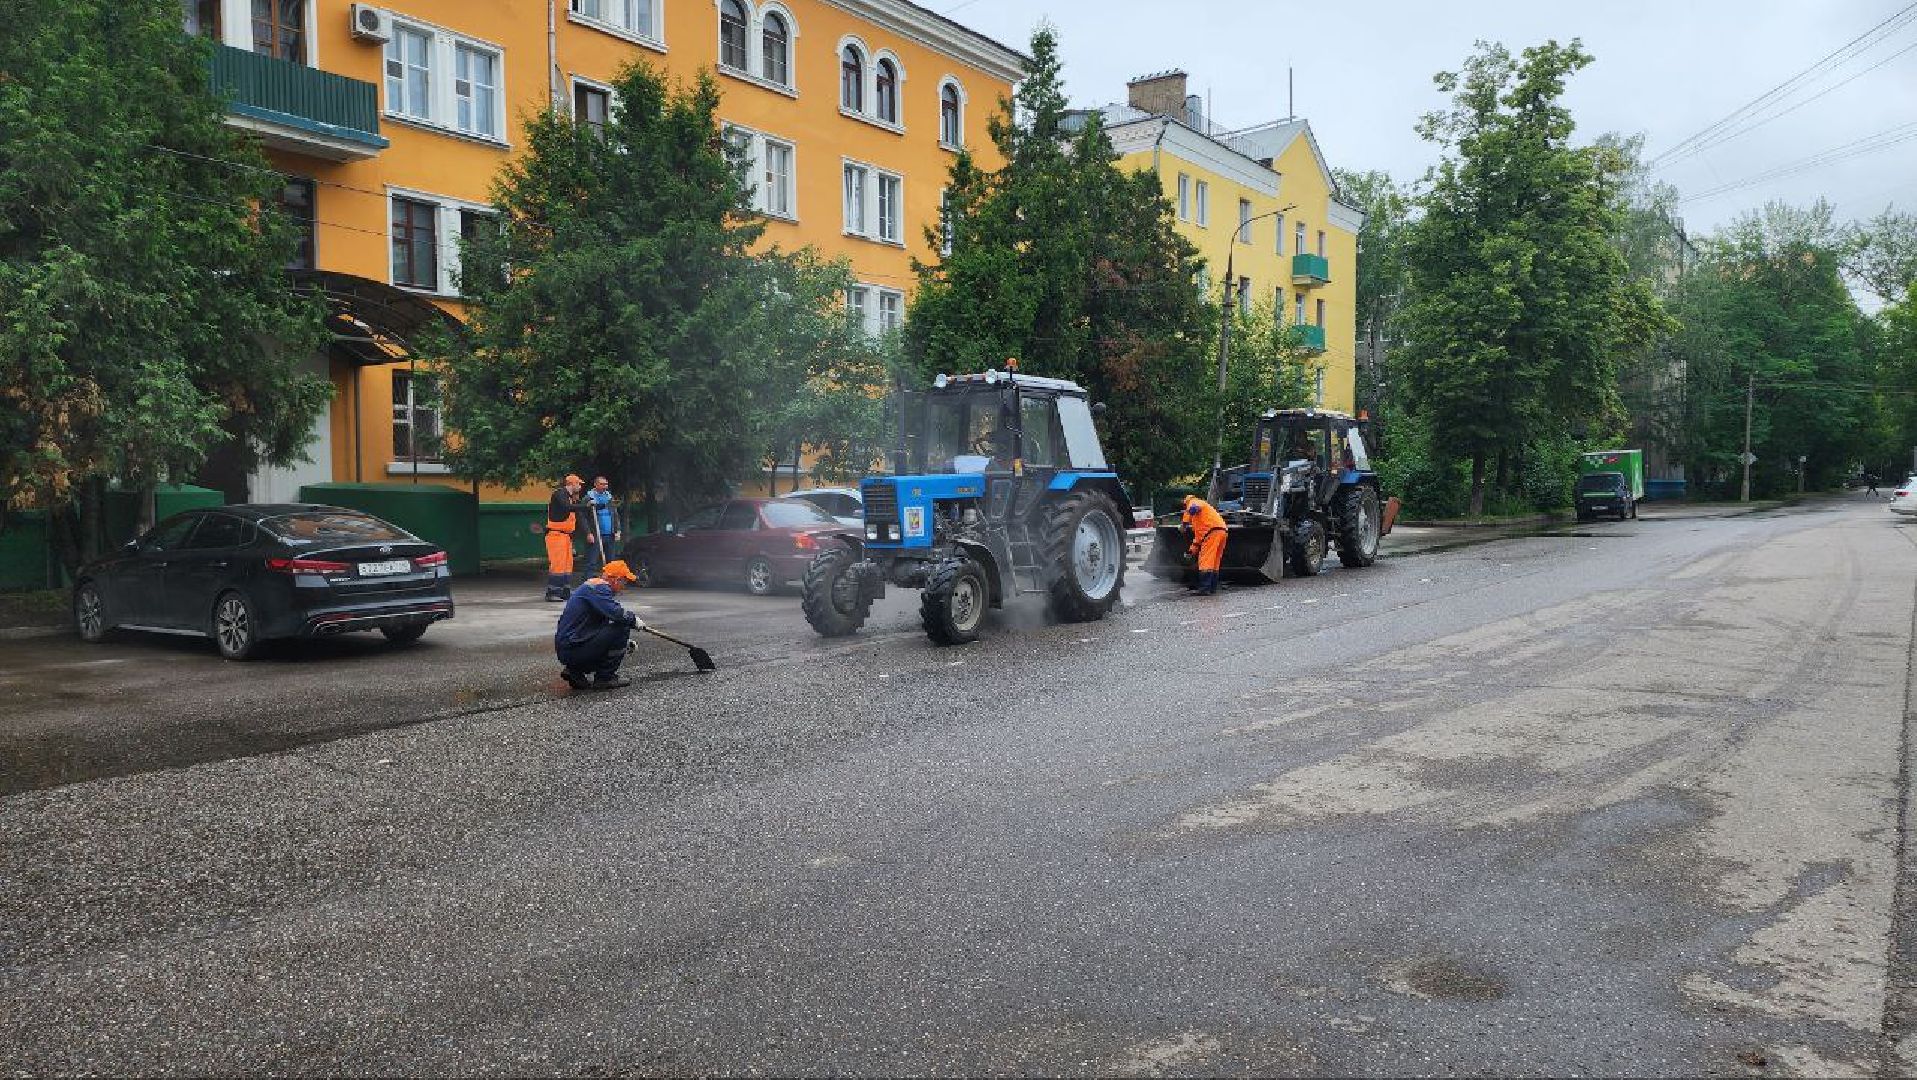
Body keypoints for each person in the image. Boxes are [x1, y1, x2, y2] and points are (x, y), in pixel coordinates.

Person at [554, 559, 645, 690]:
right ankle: (605, 678)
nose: (624, 586)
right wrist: (633, 620)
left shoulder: (593, 587)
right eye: (624, 581)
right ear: (615, 580)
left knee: (618, 630)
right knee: (622, 627)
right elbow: (617, 614)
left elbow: (598, 627)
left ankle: (575, 671)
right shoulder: (599, 589)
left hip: (569, 647)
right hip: (574, 648)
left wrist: (624, 642)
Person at [544, 474, 585, 602]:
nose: (580, 486)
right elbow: (566, 507)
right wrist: (586, 506)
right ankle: (553, 592)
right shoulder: (560, 494)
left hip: (566, 536)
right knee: (558, 565)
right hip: (556, 535)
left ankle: (565, 591)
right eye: (578, 484)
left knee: (567, 565)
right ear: (572, 484)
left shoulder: (570, 498)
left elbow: (576, 513)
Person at [1182, 494, 1228, 596]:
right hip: (1222, 532)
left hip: (1212, 532)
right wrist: (1191, 551)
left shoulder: (1194, 502)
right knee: (1214, 562)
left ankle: (1204, 588)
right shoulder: (1200, 518)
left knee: (1205, 560)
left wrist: (1184, 524)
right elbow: (1198, 539)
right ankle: (1212, 588)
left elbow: (1194, 508)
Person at [584, 476, 619, 576]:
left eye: (606, 484)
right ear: (595, 484)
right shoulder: (589, 497)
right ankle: (589, 583)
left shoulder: (609, 497)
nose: (605, 486)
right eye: (602, 484)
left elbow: (615, 514)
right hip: (595, 534)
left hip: (609, 534)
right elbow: (583, 517)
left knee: (611, 561)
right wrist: (588, 532)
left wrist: (617, 530)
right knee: (592, 561)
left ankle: (610, 582)